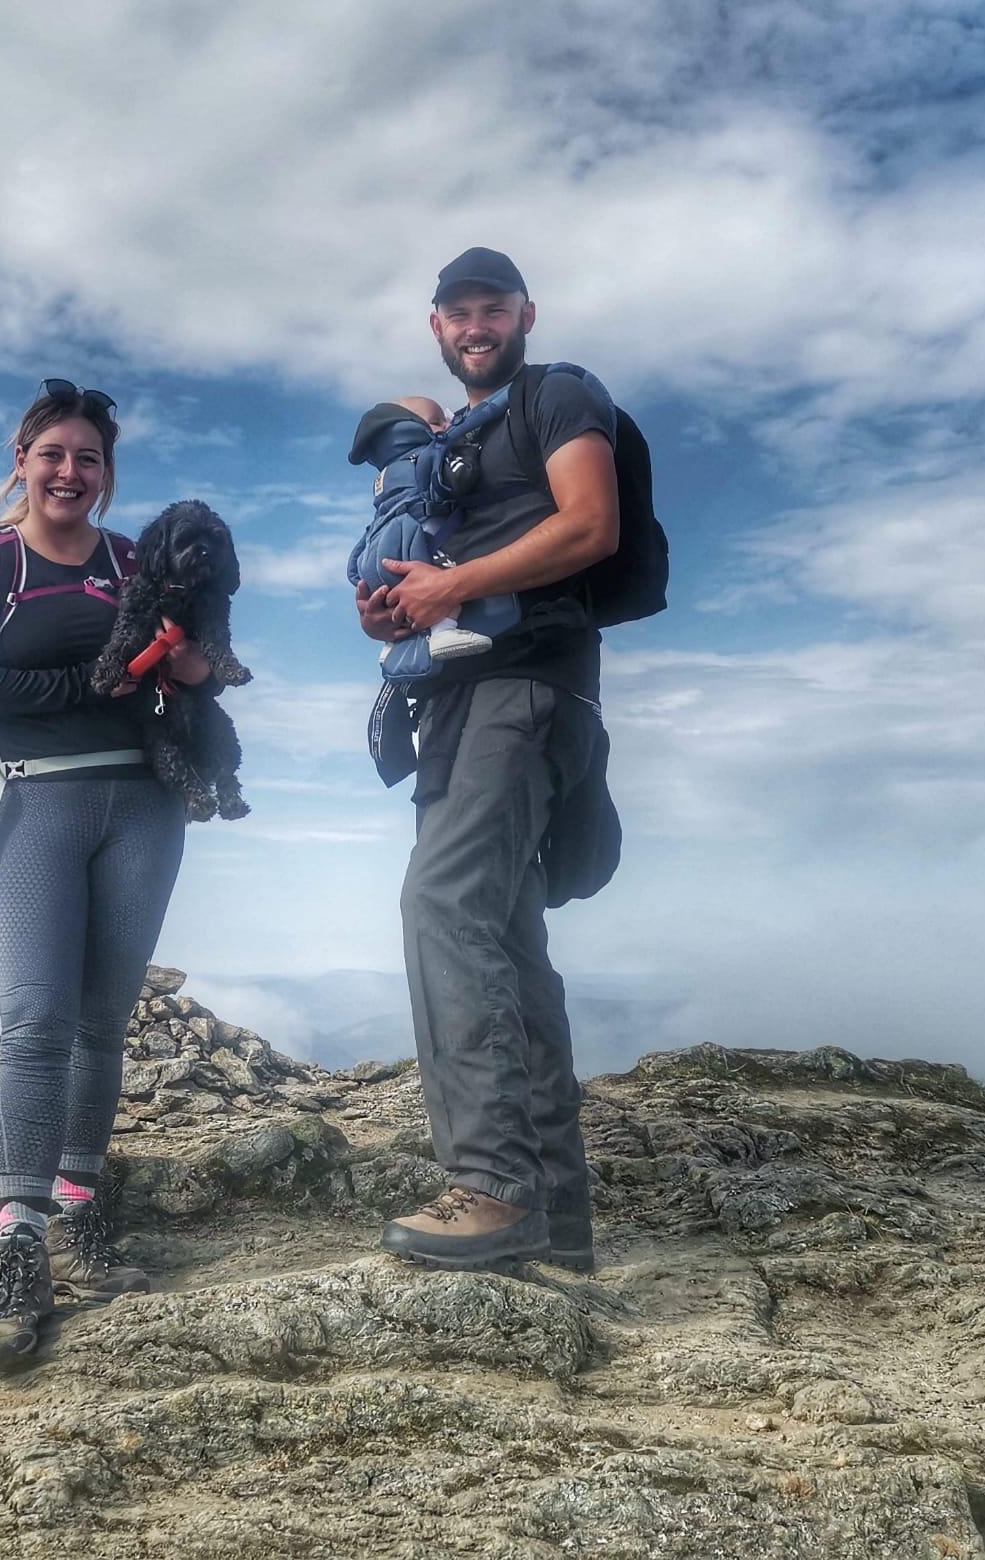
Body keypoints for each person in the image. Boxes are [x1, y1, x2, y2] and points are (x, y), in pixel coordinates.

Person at [0, 379, 216, 1368]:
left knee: (103, 1022)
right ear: (22, 460)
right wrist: (83, 684)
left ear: (106, 474)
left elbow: (194, 666)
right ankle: (21, 1246)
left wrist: (185, 667)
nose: (69, 471)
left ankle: (81, 1203)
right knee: (38, 1026)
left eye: (87, 458)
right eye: (52, 453)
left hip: (142, 803)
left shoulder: (133, 560)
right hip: (33, 802)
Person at [355, 248, 620, 1274]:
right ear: (436, 326)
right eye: (458, 312)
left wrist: (450, 584)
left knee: (442, 905)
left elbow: (589, 526)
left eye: (492, 308)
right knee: (505, 942)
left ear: (525, 314)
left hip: (522, 689)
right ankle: (557, 1224)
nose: (476, 325)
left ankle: (492, 1187)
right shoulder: (451, 444)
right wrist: (396, 600)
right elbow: (419, 584)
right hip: (456, 699)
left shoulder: (558, 395)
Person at [345, 391, 522, 677]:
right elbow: (458, 477)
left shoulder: (387, 473)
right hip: (418, 546)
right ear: (413, 429)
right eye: (438, 421)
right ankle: (444, 631)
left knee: (404, 599)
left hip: (380, 555)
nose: (448, 425)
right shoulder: (429, 456)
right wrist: (465, 461)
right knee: (445, 573)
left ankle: (395, 644)